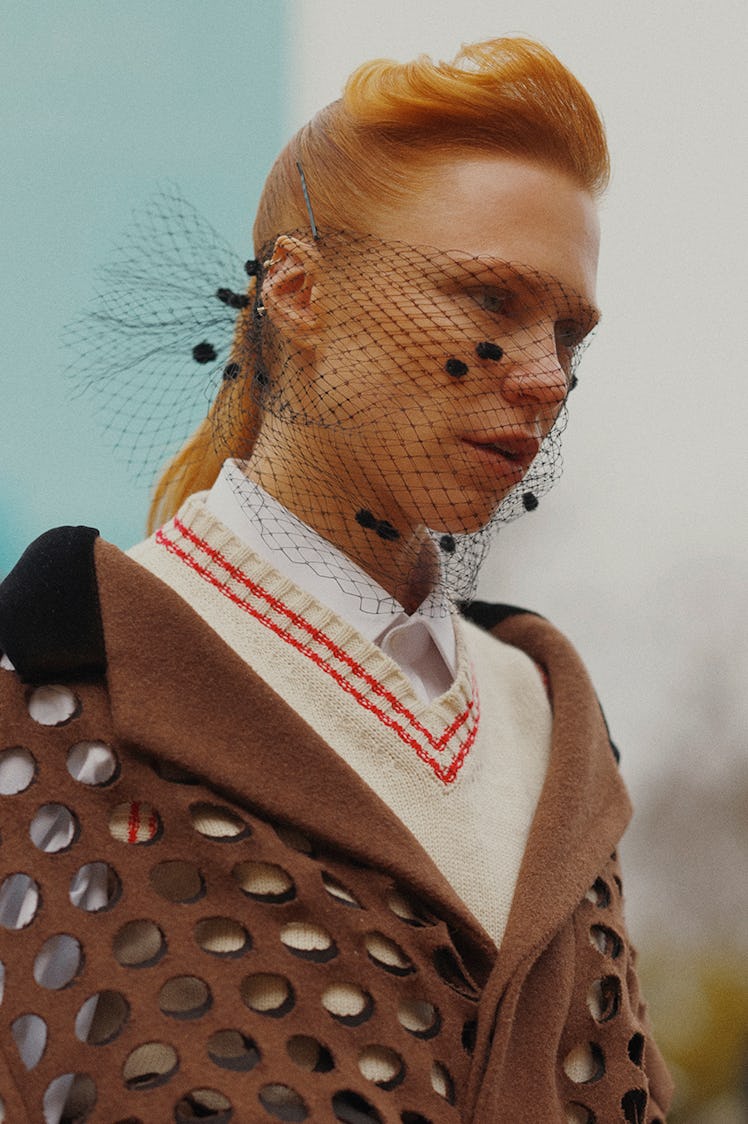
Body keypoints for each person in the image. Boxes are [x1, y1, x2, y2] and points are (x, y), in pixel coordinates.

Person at [0, 37, 672, 1124]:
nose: (546, 375)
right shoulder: (52, 704)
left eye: (568, 330)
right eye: (488, 300)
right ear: (302, 291)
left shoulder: (553, 730)